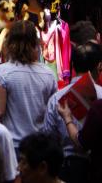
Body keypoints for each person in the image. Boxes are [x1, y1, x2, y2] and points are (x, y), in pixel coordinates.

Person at [0, 20, 57, 153]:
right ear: (35, 43)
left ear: (9, 43)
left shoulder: (3, 72)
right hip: (39, 147)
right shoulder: (48, 74)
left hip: (12, 145)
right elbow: (53, 112)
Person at [43, 41, 102, 183]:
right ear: (99, 66)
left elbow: (48, 137)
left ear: (73, 66)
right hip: (95, 168)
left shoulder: (56, 99)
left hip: (65, 169)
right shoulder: (101, 96)